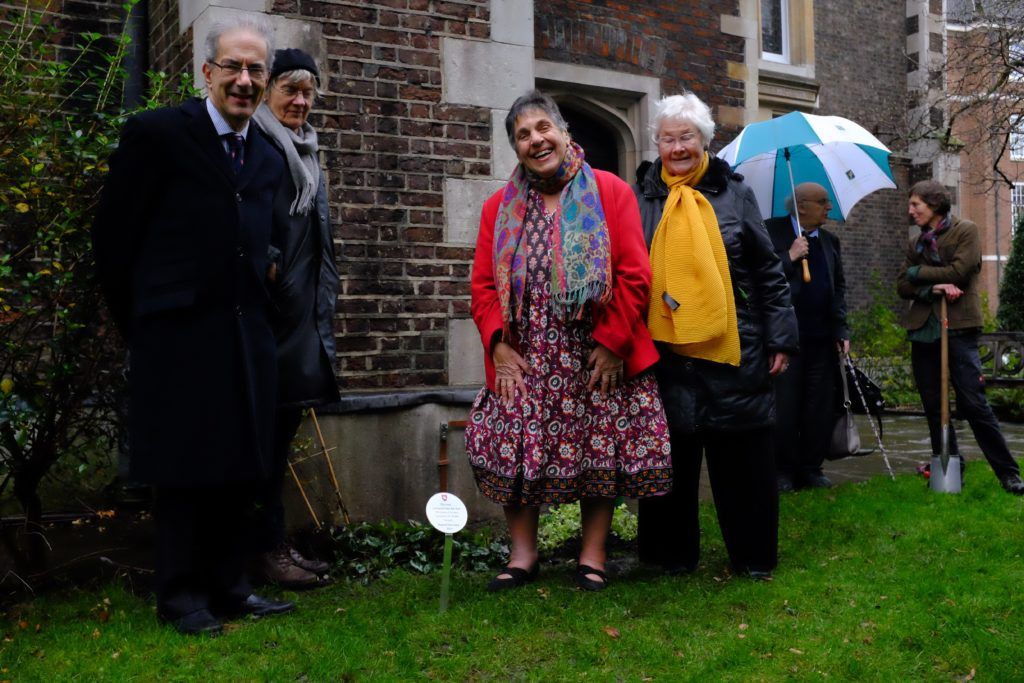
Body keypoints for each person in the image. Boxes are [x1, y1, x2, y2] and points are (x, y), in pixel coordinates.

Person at [91, 16, 294, 635]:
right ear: (206, 72)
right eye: (232, 66)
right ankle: (181, 596)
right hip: (175, 332)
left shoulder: (266, 152)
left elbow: (268, 243)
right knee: (182, 466)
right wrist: (144, 323)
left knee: (241, 463)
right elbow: (113, 240)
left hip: (244, 333)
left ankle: (231, 587)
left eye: (256, 69)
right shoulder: (156, 134)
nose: (244, 79)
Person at [466, 90, 672, 592]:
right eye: (523, 135)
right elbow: (482, 287)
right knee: (514, 446)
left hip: (595, 354)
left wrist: (611, 343)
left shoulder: (609, 192)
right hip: (527, 356)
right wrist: (497, 345)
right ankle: (523, 555)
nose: (536, 140)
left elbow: (634, 276)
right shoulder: (500, 207)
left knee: (596, 448)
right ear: (515, 148)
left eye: (542, 128)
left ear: (563, 131)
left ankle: (593, 555)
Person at [635, 93, 799, 580]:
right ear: (657, 144)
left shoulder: (734, 192)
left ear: (705, 141)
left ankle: (752, 559)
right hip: (664, 351)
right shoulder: (641, 194)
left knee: (743, 461)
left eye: (687, 137)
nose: (678, 147)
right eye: (668, 138)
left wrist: (780, 339)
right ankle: (668, 557)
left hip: (734, 347)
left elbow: (768, 271)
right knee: (670, 462)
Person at [251, 48, 339, 588]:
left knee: (275, 442)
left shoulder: (304, 151)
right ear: (267, 93)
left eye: (308, 91)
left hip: (294, 323)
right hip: (265, 322)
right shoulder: (259, 147)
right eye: (290, 89)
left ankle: (270, 546)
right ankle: (260, 552)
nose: (300, 100)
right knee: (256, 445)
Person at [897, 180, 1024, 494]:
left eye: (916, 205)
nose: (911, 211)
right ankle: (950, 465)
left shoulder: (966, 230)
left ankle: (1008, 474)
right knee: (932, 403)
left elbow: (959, 272)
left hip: (959, 327)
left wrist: (918, 274)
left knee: (973, 403)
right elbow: (902, 285)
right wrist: (932, 288)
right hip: (923, 329)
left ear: (935, 204)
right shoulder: (915, 244)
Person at [766, 182, 849, 491]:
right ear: (802, 207)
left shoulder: (829, 241)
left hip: (822, 339)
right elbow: (758, 277)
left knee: (819, 406)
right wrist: (789, 256)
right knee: (786, 407)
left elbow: (838, 289)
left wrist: (841, 330)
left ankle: (811, 468)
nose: (829, 207)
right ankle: (782, 471)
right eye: (823, 202)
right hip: (786, 340)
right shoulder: (770, 232)